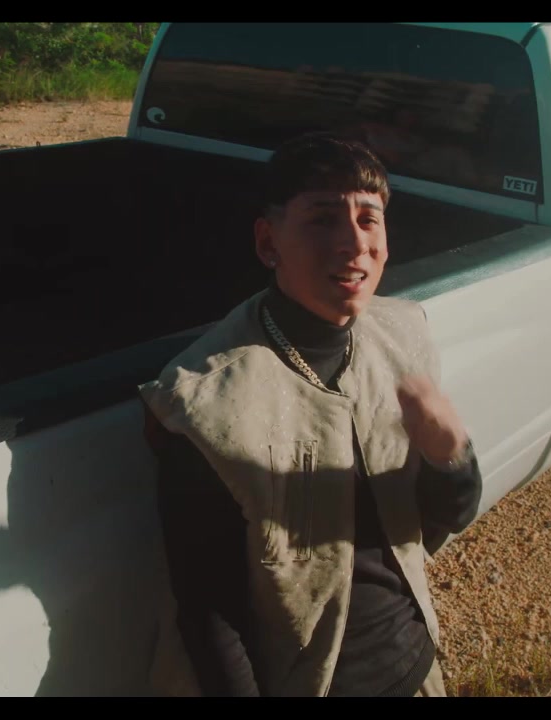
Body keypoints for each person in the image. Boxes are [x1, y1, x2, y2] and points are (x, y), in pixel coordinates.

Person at [138, 132, 483, 697]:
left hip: (414, 664)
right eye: (323, 219)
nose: (355, 242)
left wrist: (452, 457)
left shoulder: (402, 336)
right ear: (268, 242)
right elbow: (209, 611)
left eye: (369, 219)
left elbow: (442, 521)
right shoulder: (207, 402)